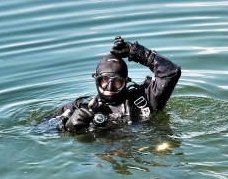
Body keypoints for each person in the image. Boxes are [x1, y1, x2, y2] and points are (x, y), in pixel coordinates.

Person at [46, 36, 181, 133]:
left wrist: (136, 52)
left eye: (117, 82)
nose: (109, 88)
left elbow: (170, 72)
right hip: (99, 159)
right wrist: (65, 125)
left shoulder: (146, 100)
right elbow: (38, 129)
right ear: (96, 80)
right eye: (104, 81)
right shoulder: (78, 108)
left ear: (126, 81)